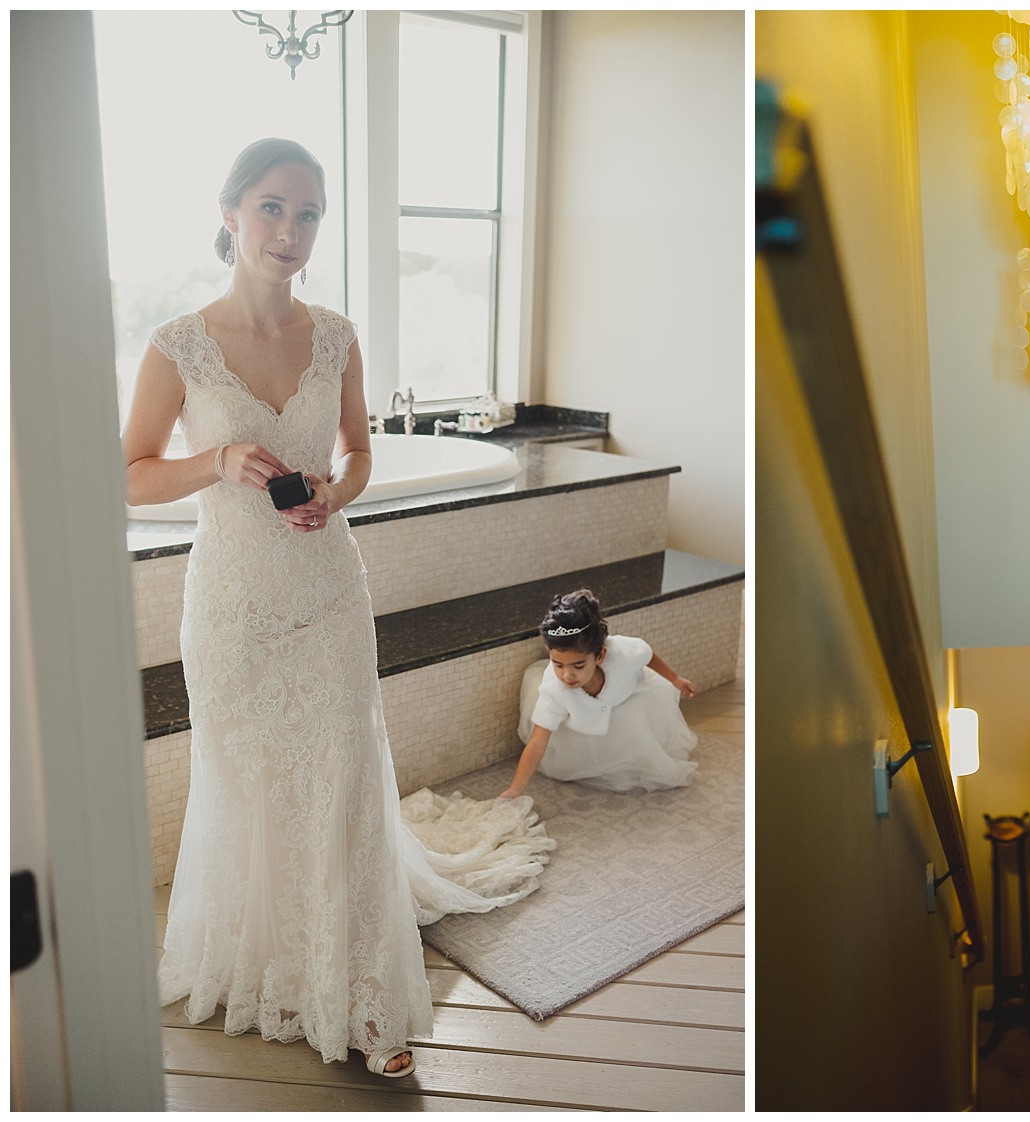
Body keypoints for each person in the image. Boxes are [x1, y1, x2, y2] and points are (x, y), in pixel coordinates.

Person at [125, 138, 551, 1080]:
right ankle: (275, 961)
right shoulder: (178, 344)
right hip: (234, 604)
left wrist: (335, 489)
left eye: (309, 212)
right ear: (232, 211)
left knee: (345, 781)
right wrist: (217, 463)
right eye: (273, 207)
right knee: (250, 782)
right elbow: (128, 475)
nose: (290, 230)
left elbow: (362, 452)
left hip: (327, 594)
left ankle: (361, 1000)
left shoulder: (338, 336)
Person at [505, 590, 699, 798]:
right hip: (580, 723)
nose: (567, 675)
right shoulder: (554, 690)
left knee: (637, 730)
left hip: (627, 697)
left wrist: (676, 679)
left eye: (578, 666)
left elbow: (648, 655)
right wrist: (515, 790)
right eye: (558, 665)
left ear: (600, 656)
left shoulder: (622, 653)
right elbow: (538, 741)